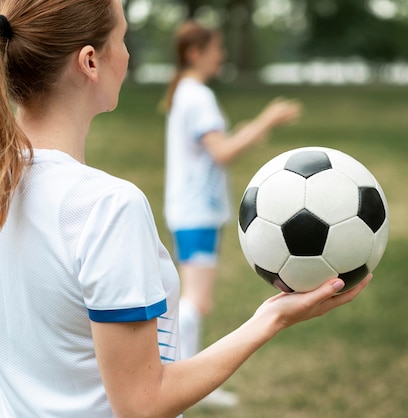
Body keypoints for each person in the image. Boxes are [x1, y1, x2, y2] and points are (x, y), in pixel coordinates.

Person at [0, 1, 370, 417]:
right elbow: (142, 404)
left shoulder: (7, 184)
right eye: (122, 40)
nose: (127, 54)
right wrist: (271, 320)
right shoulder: (105, 207)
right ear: (90, 61)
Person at [161, 20, 302, 407]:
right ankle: (182, 379)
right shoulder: (196, 95)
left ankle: (182, 377)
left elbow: (214, 147)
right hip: (196, 212)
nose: (221, 56)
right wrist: (265, 121)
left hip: (192, 209)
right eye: (216, 49)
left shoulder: (187, 94)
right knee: (196, 300)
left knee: (194, 297)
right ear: (195, 53)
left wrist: (248, 129)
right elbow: (222, 152)